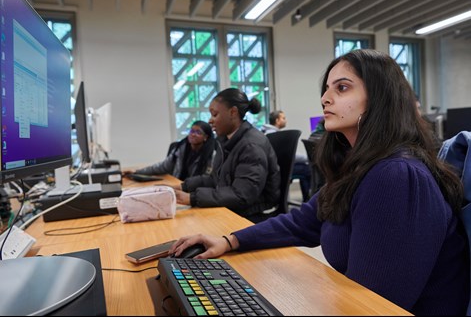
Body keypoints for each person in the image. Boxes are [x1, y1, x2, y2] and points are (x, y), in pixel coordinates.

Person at [169, 49, 469, 316]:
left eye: (342, 88)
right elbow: (303, 221)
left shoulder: (395, 176)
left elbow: (374, 306)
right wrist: (229, 241)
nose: (325, 98)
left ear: (380, 98)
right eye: (327, 89)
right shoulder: (361, 167)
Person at [173, 88, 281, 223]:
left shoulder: (251, 146)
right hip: (238, 208)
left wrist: (192, 198)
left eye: (215, 114)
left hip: (256, 215)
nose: (210, 121)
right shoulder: (227, 141)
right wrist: (182, 187)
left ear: (233, 112)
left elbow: (241, 195)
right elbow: (215, 179)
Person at [126, 120, 216, 181]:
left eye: (198, 132)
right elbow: (162, 167)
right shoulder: (180, 148)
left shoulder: (211, 155)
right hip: (178, 186)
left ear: (205, 137)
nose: (193, 135)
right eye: (192, 131)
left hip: (195, 191)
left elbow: (206, 179)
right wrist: (137, 171)